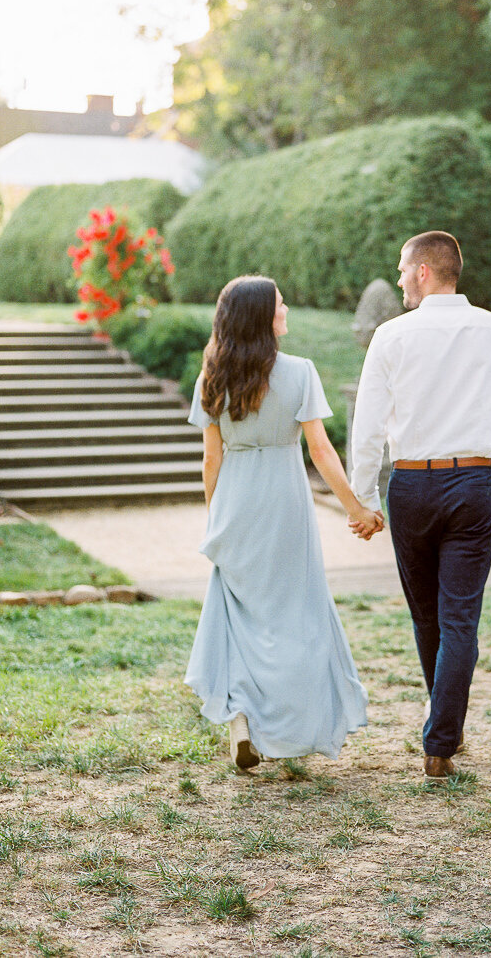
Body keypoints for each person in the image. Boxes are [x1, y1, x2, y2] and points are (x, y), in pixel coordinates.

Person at [349, 232, 491, 782]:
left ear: (425, 271)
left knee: (429, 615)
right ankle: (442, 740)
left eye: (404, 269)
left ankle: (441, 728)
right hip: (474, 484)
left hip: (411, 487)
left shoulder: (392, 336)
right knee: (458, 617)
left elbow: (369, 428)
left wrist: (363, 497)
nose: (400, 278)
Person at [185, 275, 382, 770]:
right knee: (294, 615)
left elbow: (212, 459)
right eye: (279, 304)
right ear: (261, 317)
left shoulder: (212, 376)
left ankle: (241, 719)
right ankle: (291, 721)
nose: (287, 307)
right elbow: (320, 449)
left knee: (238, 614)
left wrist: (217, 516)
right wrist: (356, 508)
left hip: (235, 500)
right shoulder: (300, 372)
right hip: (285, 503)